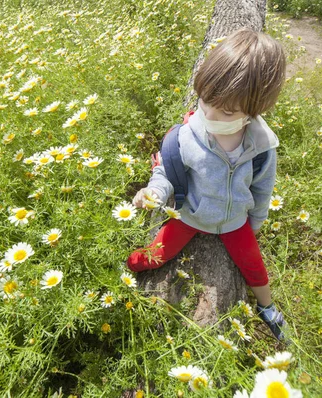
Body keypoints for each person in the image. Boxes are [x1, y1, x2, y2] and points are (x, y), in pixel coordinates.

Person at [125, 27, 288, 341]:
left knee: (253, 265)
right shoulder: (185, 137)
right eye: (205, 100)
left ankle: (267, 307)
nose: (211, 114)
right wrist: (154, 192)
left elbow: (262, 189)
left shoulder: (261, 147)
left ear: (255, 110)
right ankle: (128, 266)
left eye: (226, 111)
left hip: (233, 222)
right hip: (190, 216)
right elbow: (167, 173)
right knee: (157, 254)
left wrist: (255, 223)